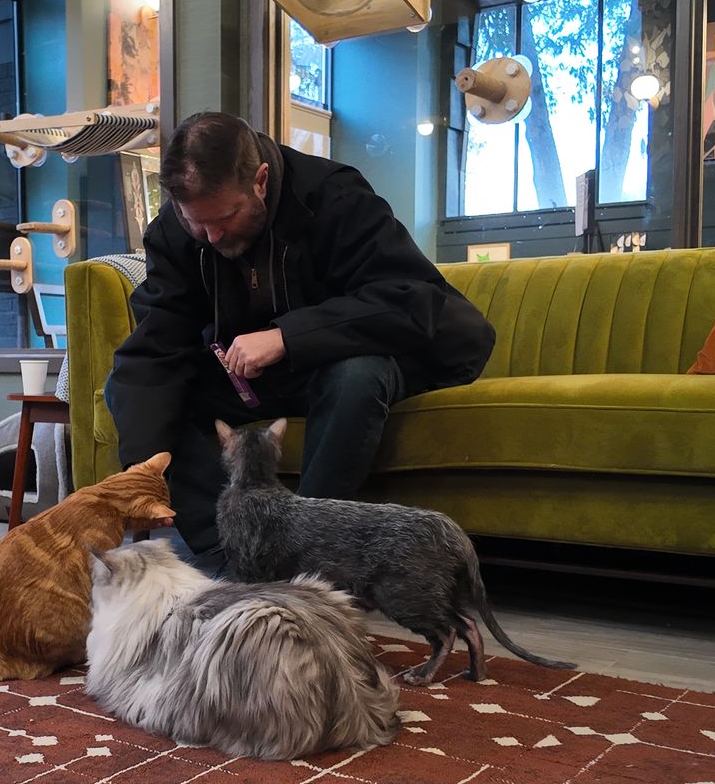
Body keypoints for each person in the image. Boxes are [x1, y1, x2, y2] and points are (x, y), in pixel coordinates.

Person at [104, 112, 496, 572]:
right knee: (141, 389)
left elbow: (408, 298)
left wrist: (287, 337)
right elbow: (157, 345)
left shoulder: (336, 195)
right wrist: (140, 475)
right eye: (197, 225)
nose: (211, 236)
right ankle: (234, 551)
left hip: (365, 353)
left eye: (225, 218)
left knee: (356, 374)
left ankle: (308, 556)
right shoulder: (177, 230)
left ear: (261, 181)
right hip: (266, 375)